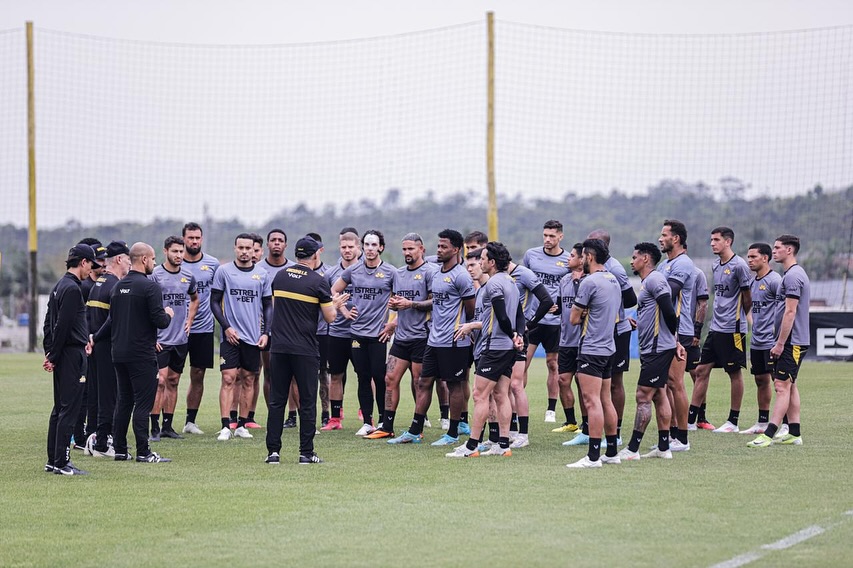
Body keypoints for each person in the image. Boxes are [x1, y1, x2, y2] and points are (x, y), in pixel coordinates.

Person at [388, 229, 475, 445]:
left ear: (456, 249)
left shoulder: (462, 275)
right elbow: (434, 302)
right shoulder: (435, 273)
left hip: (454, 341)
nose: (439, 250)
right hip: (433, 340)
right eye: (438, 246)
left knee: (454, 385)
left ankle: (453, 433)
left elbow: (471, 309)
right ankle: (415, 431)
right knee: (423, 382)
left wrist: (466, 330)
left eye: (444, 246)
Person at [265, 237, 344, 465]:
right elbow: (329, 317)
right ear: (316, 255)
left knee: (277, 401)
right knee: (308, 401)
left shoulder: (279, 277)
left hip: (278, 348)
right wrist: (335, 305)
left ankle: (273, 453)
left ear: (296, 255)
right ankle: (306, 453)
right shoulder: (317, 281)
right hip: (305, 349)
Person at [96, 242, 174, 463]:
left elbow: (112, 322)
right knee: (143, 403)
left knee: (124, 402)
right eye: (153, 259)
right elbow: (160, 320)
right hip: (141, 354)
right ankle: (144, 452)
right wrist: (169, 313)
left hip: (118, 353)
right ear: (144, 259)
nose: (155, 263)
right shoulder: (150, 287)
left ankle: (120, 450)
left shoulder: (118, 287)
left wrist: (94, 337)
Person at [446, 242, 524, 457]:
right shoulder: (511, 282)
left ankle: (471, 446)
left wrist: (511, 335)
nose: (479, 262)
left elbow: (502, 315)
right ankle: (504, 445)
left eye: (482, 258)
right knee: (501, 395)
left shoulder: (493, 285)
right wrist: (518, 336)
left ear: (491, 262)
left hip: (494, 347)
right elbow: (519, 315)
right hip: (507, 348)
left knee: (480, 396)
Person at [365, 233, 437, 439]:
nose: (407, 253)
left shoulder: (429, 273)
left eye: (411, 249)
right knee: (390, 378)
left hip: (422, 337)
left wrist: (411, 304)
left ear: (421, 249)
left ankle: (417, 428)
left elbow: (435, 303)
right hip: (402, 337)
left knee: (419, 382)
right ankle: (387, 427)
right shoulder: (398, 273)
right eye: (404, 249)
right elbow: (398, 302)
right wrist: (392, 320)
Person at [617, 242, 685, 461]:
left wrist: (674, 340)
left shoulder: (655, 279)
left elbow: (668, 309)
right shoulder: (648, 283)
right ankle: (664, 447)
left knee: (642, 396)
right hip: (653, 347)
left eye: (635, 257)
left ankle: (633, 448)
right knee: (659, 395)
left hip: (657, 349)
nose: (631, 260)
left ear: (645, 259)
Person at [43, 243, 101, 475]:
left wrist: (49, 351)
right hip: (71, 355)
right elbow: (62, 325)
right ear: (83, 262)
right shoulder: (73, 289)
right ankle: (62, 463)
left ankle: (52, 460)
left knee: (60, 408)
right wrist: (54, 355)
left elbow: (48, 324)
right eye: (91, 264)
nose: (91, 270)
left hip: (63, 353)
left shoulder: (59, 286)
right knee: (69, 409)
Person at [332, 229, 397, 436]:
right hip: (357, 334)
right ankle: (367, 421)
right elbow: (334, 290)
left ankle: (381, 420)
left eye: (373, 245)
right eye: (367, 245)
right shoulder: (353, 271)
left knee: (379, 377)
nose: (370, 249)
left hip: (378, 334)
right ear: (363, 247)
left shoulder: (390, 272)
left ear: (381, 247)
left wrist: (392, 324)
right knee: (362, 377)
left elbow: (399, 301)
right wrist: (342, 309)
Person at [688, 227, 752, 433]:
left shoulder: (740, 265)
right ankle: (690, 420)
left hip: (732, 330)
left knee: (734, 373)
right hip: (715, 328)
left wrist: (741, 318)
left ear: (728, 241)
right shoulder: (716, 265)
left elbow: (747, 297)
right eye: (711, 240)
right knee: (700, 371)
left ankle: (733, 421)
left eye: (716, 240)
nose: (712, 243)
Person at [748, 235, 810, 448]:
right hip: (792, 341)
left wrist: (780, 343)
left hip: (792, 342)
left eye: (777, 248)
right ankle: (794, 432)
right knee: (790, 386)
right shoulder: (791, 274)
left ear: (789, 250)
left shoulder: (792, 277)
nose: (773, 251)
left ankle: (769, 433)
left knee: (781, 386)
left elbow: (790, 312)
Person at [210, 233, 273, 441]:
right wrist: (226, 328)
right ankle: (226, 425)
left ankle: (243, 425)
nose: (245, 252)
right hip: (230, 337)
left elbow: (267, 306)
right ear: (235, 248)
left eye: (249, 248)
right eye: (241, 248)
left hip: (253, 337)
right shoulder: (223, 271)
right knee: (228, 378)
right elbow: (214, 302)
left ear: (254, 250)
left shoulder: (262, 274)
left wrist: (265, 333)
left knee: (248, 379)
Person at [566, 239, 622, 469]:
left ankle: (592, 457)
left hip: (591, 348)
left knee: (592, 402)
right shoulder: (614, 280)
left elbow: (573, 318)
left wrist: (584, 312)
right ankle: (612, 452)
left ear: (589, 256)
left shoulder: (589, 282)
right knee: (605, 399)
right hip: (609, 347)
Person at [588, 229, 637, 445]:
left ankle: (615, 432)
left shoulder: (615, 268)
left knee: (614, 383)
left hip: (617, 332)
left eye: (591, 244)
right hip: (599, 333)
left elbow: (630, 299)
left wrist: (611, 313)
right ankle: (591, 428)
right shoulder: (590, 267)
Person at [149, 236, 199, 441]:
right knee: (159, 381)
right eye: (175, 251)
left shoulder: (188, 276)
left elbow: (195, 298)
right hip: (161, 339)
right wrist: (151, 335)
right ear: (165, 251)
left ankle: (167, 426)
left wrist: (189, 319)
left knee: (174, 381)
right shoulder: (154, 275)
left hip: (180, 339)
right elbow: (146, 307)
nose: (179, 255)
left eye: (181, 252)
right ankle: (153, 428)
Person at [84, 241, 131, 458]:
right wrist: (95, 337)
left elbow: (89, 317)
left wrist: (91, 338)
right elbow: (113, 321)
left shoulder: (98, 283)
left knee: (102, 396)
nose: (130, 263)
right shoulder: (115, 286)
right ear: (119, 259)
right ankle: (104, 442)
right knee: (112, 397)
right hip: (108, 348)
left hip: (98, 349)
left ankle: (96, 438)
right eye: (129, 259)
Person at [522, 220, 569, 422]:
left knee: (553, 364)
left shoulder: (568, 259)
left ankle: (551, 409)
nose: (547, 239)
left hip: (555, 322)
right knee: (522, 363)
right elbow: (522, 282)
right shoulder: (531, 255)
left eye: (552, 236)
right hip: (533, 319)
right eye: (545, 235)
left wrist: (560, 306)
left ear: (560, 237)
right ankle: (516, 403)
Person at [506, 253, 553, 446]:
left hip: (518, 336)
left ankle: (523, 435)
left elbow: (547, 300)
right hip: (501, 336)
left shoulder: (523, 274)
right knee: (503, 386)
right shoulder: (496, 277)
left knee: (516, 385)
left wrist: (529, 324)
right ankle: (510, 430)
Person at [657, 219, 695, 452]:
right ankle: (671, 434)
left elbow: (667, 292)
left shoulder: (683, 264)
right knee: (665, 384)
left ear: (676, 239)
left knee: (676, 383)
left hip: (680, 330)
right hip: (663, 330)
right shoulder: (664, 264)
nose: (660, 238)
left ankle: (683, 437)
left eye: (664, 235)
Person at [180, 222, 219, 435]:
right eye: (190, 238)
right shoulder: (175, 263)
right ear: (183, 239)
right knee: (168, 377)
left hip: (203, 328)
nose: (194, 241)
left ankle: (190, 421)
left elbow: (220, 294)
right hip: (176, 329)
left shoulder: (213, 264)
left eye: (197, 238)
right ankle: (162, 423)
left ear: (201, 239)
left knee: (198, 374)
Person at [320, 229, 361, 431]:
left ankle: (366, 412)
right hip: (336, 332)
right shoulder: (330, 273)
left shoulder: (365, 270)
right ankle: (335, 418)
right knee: (335, 375)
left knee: (365, 375)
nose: (347, 250)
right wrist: (342, 310)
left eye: (350, 247)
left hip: (362, 332)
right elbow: (328, 299)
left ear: (358, 248)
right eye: (343, 247)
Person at [741, 242, 782, 435]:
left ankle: (789, 425)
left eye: (753, 257)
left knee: (780, 382)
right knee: (760, 379)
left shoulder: (775, 280)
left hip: (771, 341)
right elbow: (749, 307)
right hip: (757, 340)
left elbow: (785, 309)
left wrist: (777, 336)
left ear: (765, 258)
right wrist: (752, 323)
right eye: (748, 257)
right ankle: (762, 422)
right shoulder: (752, 281)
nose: (749, 260)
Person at [257, 228, 296, 427]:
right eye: (273, 240)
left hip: (289, 330)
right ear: (268, 244)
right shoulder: (258, 270)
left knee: (294, 376)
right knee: (269, 373)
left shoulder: (294, 269)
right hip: (267, 330)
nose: (277, 243)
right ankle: (275, 414)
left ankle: (293, 415)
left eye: (281, 240)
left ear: (286, 245)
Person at [557, 244, 592, 446]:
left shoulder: (589, 281)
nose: (567, 258)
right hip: (565, 340)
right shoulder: (564, 280)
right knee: (563, 379)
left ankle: (587, 426)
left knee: (582, 382)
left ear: (582, 259)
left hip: (584, 341)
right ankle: (571, 422)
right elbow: (562, 305)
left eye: (571, 256)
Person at [73, 238, 106, 451]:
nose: (102, 264)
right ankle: (77, 436)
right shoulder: (84, 287)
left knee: (92, 393)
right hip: (85, 345)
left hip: (95, 345)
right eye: (99, 261)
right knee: (82, 393)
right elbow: (81, 318)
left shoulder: (98, 285)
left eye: (104, 260)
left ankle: (88, 432)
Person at [687, 264, 712, 429]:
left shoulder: (697, 273)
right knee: (668, 379)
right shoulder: (663, 269)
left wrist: (696, 331)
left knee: (697, 375)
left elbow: (703, 304)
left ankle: (700, 418)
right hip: (669, 334)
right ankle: (674, 419)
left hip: (688, 334)